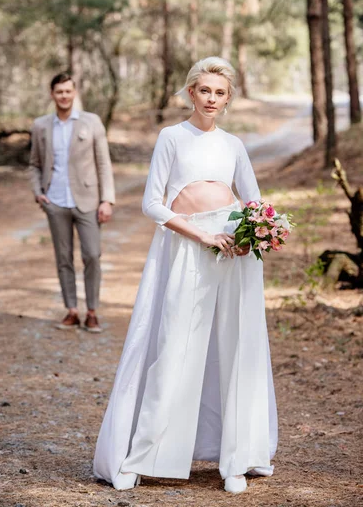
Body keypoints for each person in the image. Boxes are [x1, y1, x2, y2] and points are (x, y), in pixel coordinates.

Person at [93, 57, 277, 494]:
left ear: (228, 98)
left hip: (233, 253)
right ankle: (141, 455)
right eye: (205, 90)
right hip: (188, 249)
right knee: (173, 344)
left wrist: (253, 236)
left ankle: (235, 459)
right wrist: (201, 235)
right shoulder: (171, 137)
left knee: (234, 346)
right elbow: (152, 204)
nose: (212, 99)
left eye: (220, 92)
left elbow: (254, 201)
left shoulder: (234, 144)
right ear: (191, 92)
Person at [29, 72, 115, 333]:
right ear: (52, 94)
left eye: (68, 91)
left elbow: (103, 163)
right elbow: (34, 164)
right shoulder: (42, 125)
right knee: (63, 258)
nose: (64, 96)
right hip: (55, 201)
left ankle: (92, 311)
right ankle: (72, 311)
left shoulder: (91, 122)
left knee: (92, 255)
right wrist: (38, 192)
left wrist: (107, 200)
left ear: (74, 92)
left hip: (87, 200)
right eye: (59, 92)